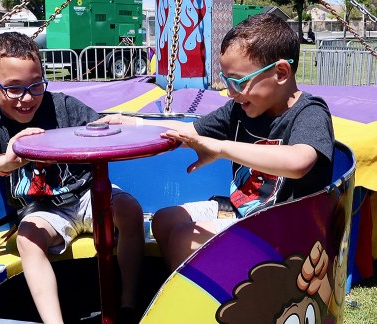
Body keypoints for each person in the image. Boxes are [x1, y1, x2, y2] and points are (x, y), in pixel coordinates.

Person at [99, 14, 334, 272]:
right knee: (164, 220)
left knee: (182, 237)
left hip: (283, 231)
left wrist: (221, 148)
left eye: (238, 82)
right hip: (242, 211)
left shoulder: (309, 112)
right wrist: (136, 126)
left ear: (280, 73)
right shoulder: (239, 110)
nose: (230, 92)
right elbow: (188, 133)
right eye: (226, 80)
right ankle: (196, 289)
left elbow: (299, 162)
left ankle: (203, 309)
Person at [0, 32, 144, 324]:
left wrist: (123, 124)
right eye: (14, 89)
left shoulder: (63, 106)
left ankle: (129, 305)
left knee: (129, 209)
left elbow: (99, 129)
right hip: (42, 210)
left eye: (36, 86)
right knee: (28, 239)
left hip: (87, 194)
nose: (27, 98)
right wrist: (8, 159)